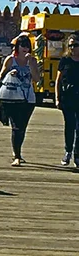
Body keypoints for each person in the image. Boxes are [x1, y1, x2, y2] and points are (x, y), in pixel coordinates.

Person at [0, 34, 40, 166]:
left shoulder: (33, 60)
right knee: (16, 126)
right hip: (12, 97)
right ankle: (17, 156)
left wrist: (31, 65)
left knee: (22, 127)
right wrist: (10, 73)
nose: (25, 48)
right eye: (22, 46)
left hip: (28, 98)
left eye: (27, 46)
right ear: (17, 47)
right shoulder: (11, 59)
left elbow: (37, 79)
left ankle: (17, 151)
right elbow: (0, 76)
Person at [55, 35, 79, 169]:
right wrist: (57, 97)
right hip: (68, 97)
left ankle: (77, 155)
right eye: (70, 45)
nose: (73, 48)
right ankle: (68, 151)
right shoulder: (65, 60)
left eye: (75, 45)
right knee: (70, 125)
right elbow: (58, 80)